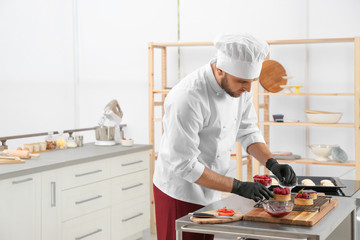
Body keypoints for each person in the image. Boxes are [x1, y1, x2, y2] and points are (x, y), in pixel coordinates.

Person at [153, 33, 297, 240]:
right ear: (220, 70)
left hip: (211, 187)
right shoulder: (187, 97)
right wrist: (238, 186)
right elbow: (183, 164)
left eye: (252, 82)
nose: (248, 89)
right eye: (242, 81)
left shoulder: (240, 88)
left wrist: (272, 163)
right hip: (179, 191)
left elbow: (247, 130)